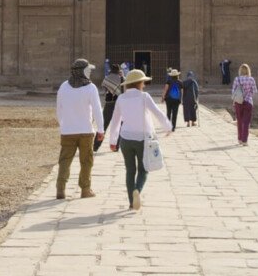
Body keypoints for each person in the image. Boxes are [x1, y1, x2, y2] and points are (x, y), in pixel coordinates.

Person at [107, 69, 172, 211]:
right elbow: (157, 112)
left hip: (125, 139)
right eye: (143, 82)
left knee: (130, 170)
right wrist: (168, 126)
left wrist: (113, 141)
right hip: (143, 139)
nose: (144, 84)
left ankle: (131, 201)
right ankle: (137, 190)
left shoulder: (121, 98)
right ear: (139, 83)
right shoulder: (144, 97)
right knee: (143, 170)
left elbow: (115, 121)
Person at [55, 58, 104, 199]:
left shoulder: (64, 86)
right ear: (82, 71)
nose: (90, 72)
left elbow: (59, 109)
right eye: (88, 70)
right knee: (86, 161)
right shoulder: (90, 87)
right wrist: (101, 129)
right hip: (86, 131)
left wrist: (63, 126)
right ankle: (85, 189)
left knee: (64, 161)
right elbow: (97, 110)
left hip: (67, 131)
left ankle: (60, 189)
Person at [93, 64, 123, 152]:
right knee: (119, 125)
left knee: (103, 125)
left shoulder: (107, 78)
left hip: (109, 102)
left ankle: (96, 146)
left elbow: (106, 89)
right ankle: (116, 146)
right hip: (119, 104)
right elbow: (123, 90)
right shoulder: (121, 78)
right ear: (118, 70)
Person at [232, 63, 258, 146]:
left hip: (238, 102)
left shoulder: (237, 79)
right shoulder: (251, 79)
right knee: (246, 122)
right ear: (248, 71)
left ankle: (239, 139)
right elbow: (254, 91)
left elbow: (233, 91)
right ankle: (245, 141)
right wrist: (248, 94)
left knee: (239, 121)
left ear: (240, 71)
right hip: (248, 102)